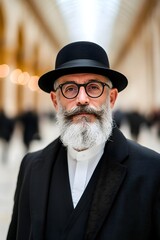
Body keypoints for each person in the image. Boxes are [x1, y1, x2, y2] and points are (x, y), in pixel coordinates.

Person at [7, 41, 160, 240]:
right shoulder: (31, 167)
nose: (82, 99)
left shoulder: (151, 170)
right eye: (70, 89)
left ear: (111, 98)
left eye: (93, 87)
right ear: (55, 101)